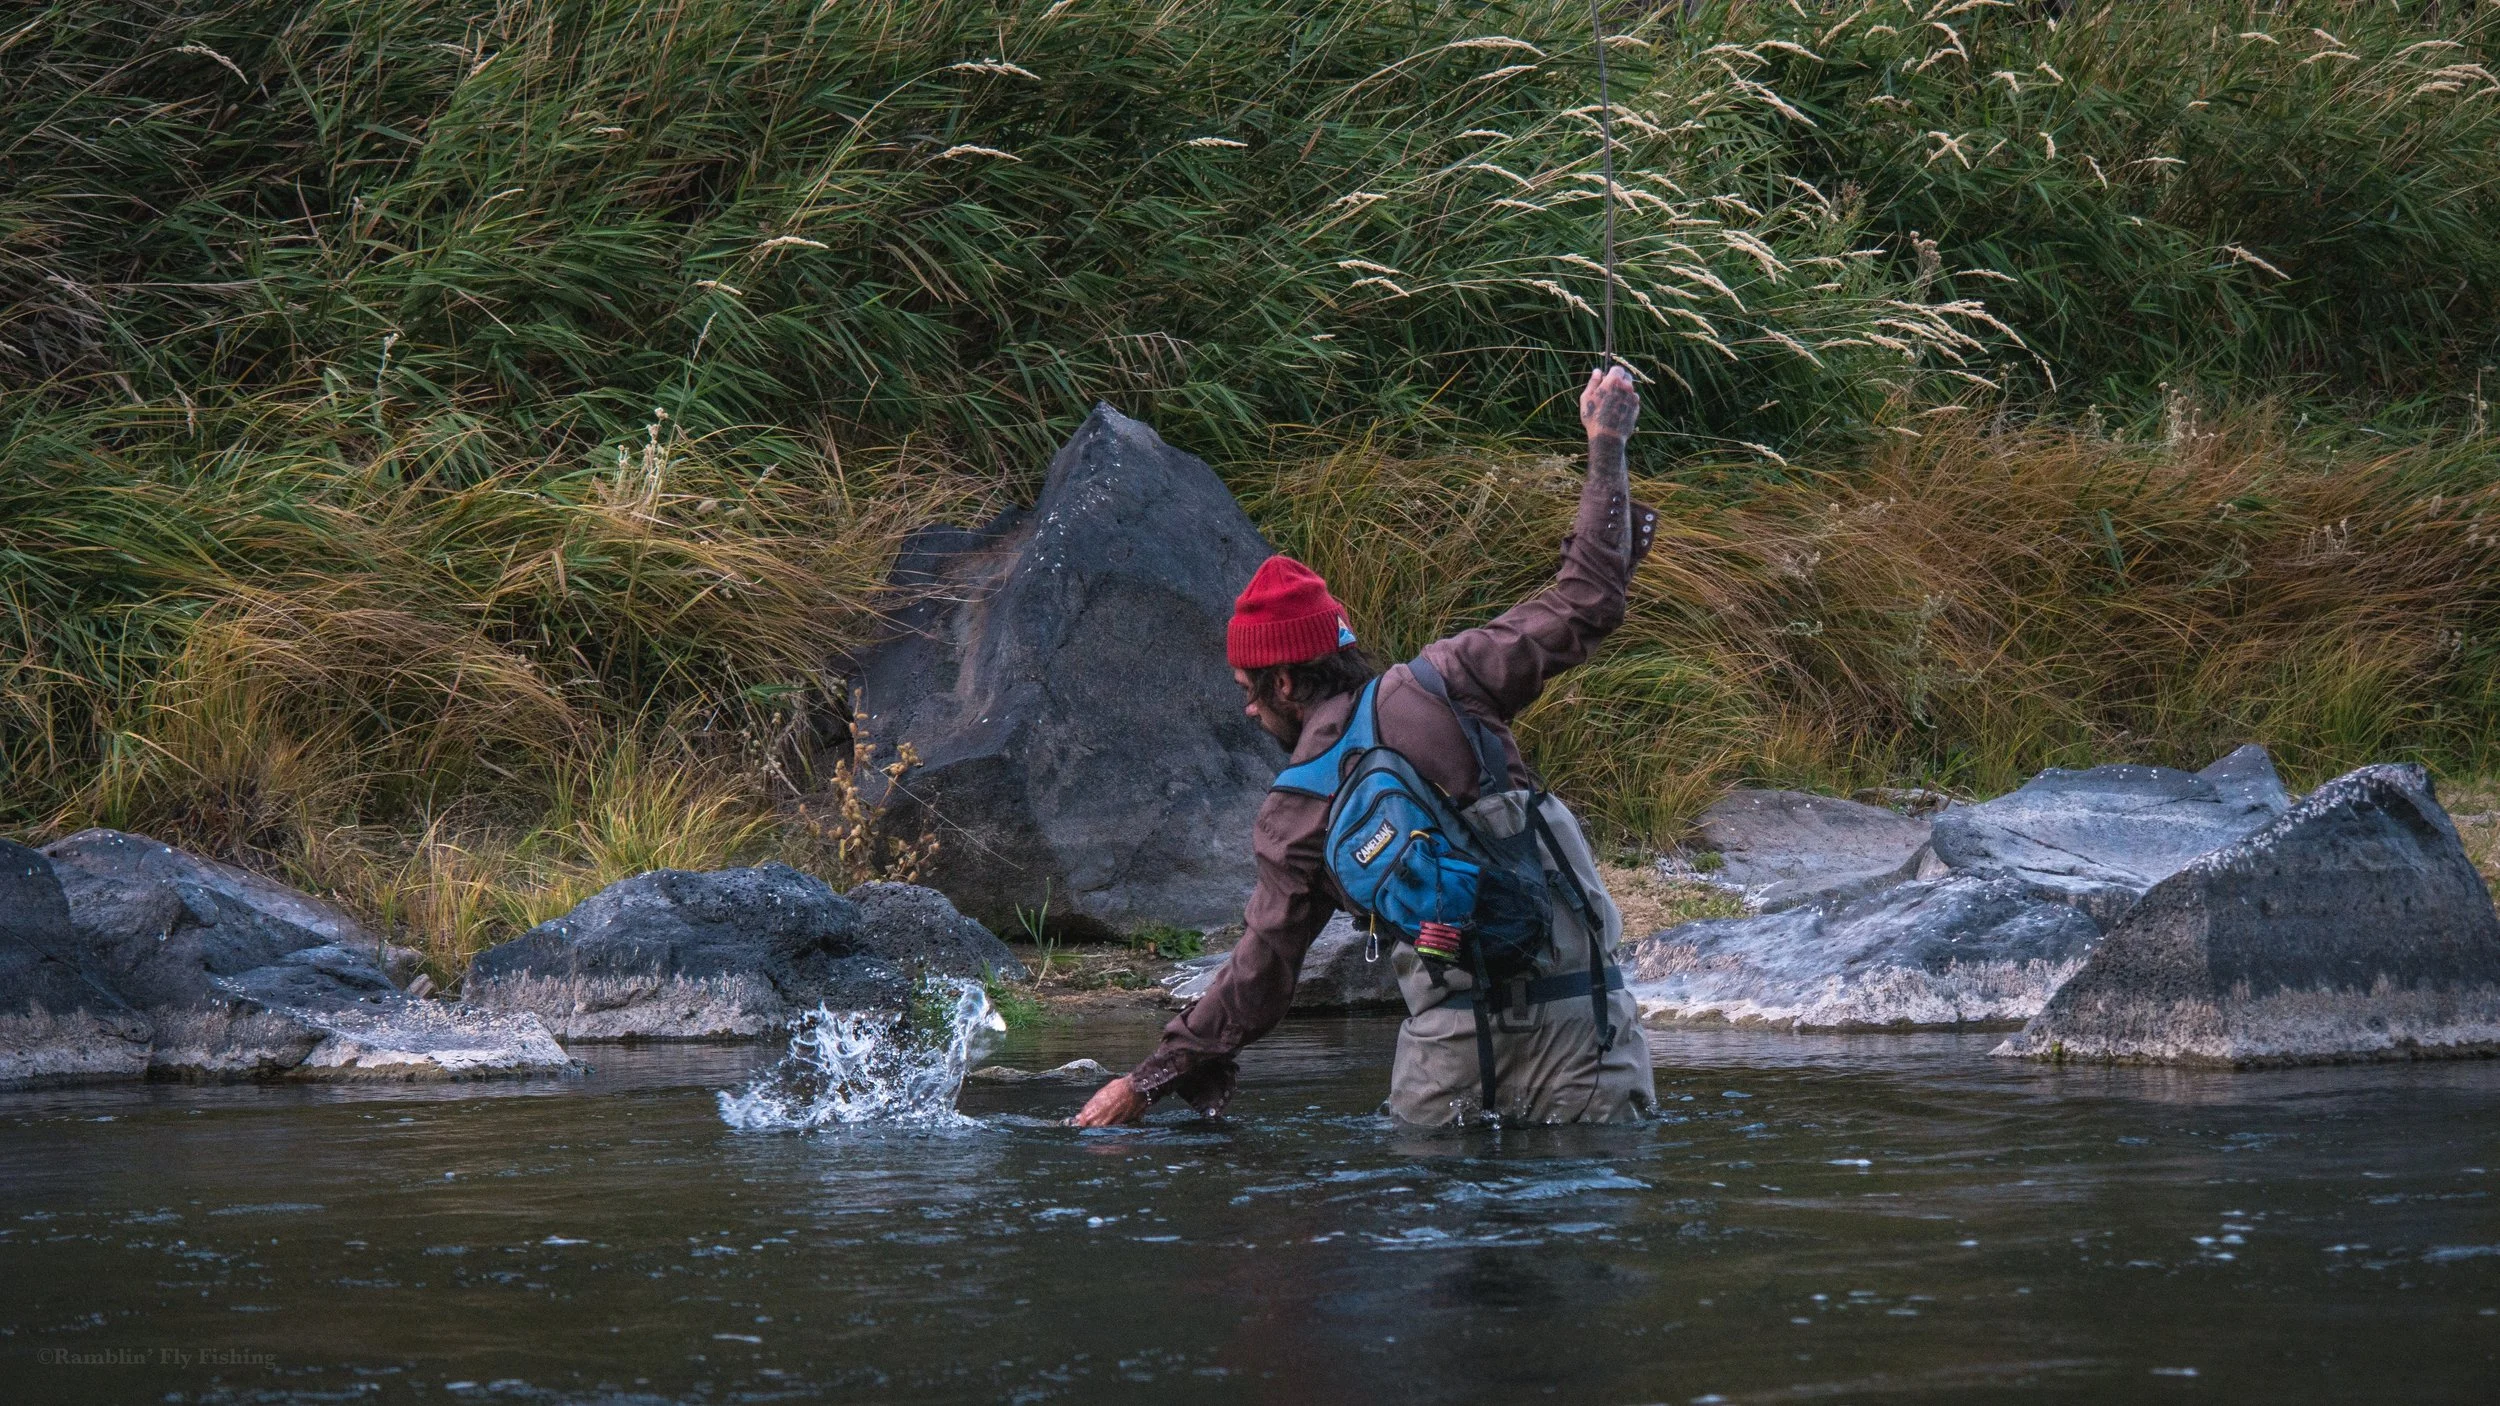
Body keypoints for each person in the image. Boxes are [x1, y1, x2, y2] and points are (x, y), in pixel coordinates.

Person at [1074, 366, 1659, 1127]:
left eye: (1249, 687)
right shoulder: (1456, 680)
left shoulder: (1295, 815)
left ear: (1286, 682)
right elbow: (1590, 596)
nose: (1248, 709)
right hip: (1584, 1035)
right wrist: (1606, 444)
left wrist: (1146, 1081)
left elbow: (1260, 977)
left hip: (1447, 1062)